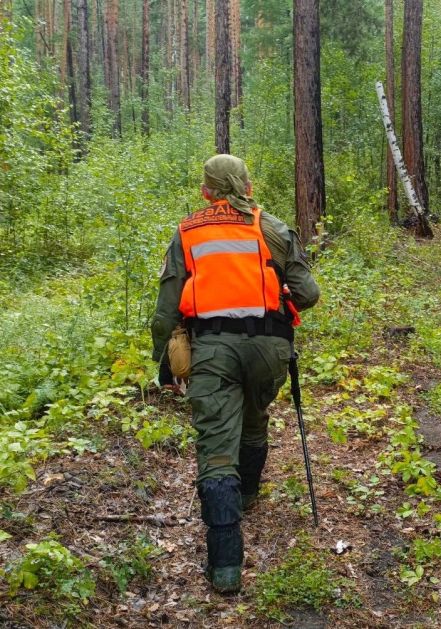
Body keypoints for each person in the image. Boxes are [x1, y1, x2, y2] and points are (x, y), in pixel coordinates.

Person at [151, 154, 320, 593]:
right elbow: (308, 293)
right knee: (254, 415)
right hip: (269, 348)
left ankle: (226, 566)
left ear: (206, 190)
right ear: (247, 185)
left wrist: (162, 362)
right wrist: (280, 304)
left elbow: (166, 311)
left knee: (215, 450)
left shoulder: (187, 232)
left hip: (211, 350)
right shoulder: (274, 228)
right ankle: (247, 493)